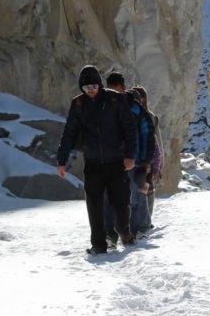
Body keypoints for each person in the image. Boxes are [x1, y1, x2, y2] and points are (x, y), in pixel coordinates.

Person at [56, 65, 137, 255]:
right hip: (92, 163)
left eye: (93, 86)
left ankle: (124, 229)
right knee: (94, 204)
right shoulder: (78, 104)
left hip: (117, 161)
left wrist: (130, 156)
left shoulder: (115, 99)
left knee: (121, 201)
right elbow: (69, 132)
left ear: (99, 84)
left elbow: (129, 128)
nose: (90, 90)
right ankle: (98, 244)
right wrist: (62, 160)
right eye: (86, 88)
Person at [101, 72, 154, 241]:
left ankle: (141, 229)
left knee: (136, 196)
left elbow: (147, 135)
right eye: (110, 90)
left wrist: (146, 162)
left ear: (123, 88)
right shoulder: (104, 108)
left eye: (116, 90)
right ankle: (116, 233)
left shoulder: (135, 108)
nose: (113, 94)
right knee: (111, 199)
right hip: (112, 162)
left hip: (135, 161)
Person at [131, 85, 162, 228]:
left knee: (147, 190)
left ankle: (146, 222)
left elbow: (157, 143)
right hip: (135, 161)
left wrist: (158, 166)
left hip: (148, 161)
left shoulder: (150, 117)